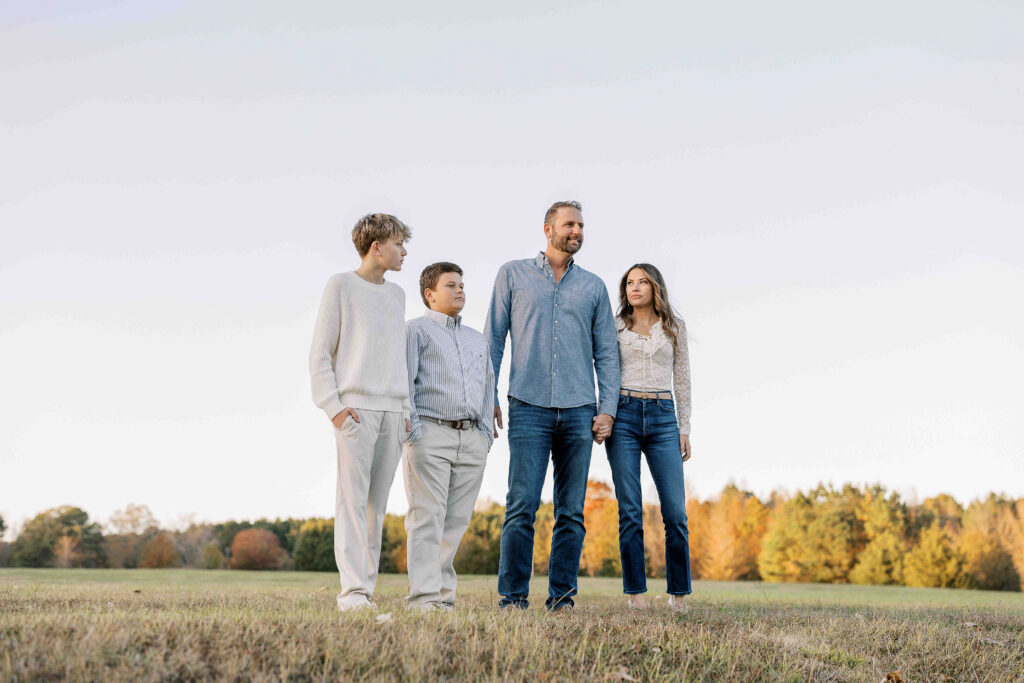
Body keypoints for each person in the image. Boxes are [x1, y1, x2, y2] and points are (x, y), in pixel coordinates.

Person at [484, 200, 620, 612]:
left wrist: (607, 408)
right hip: (527, 406)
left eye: (581, 225)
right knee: (521, 506)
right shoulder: (513, 274)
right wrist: (486, 395)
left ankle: (562, 600)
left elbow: (608, 354)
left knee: (571, 512)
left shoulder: (593, 287)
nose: (577, 231)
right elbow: (492, 339)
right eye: (569, 224)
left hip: (580, 409)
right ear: (548, 229)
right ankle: (512, 599)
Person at [309, 213, 413, 612]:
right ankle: (351, 594)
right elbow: (320, 353)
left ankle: (364, 592)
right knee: (351, 503)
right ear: (376, 246)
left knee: (375, 507)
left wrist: (404, 409)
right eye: (399, 244)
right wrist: (333, 408)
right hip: (353, 411)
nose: (404, 252)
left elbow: (397, 357)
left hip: (392, 412)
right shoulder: (341, 286)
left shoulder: (397, 295)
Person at [598, 263, 692, 612]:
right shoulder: (614, 326)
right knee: (630, 509)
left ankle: (678, 595)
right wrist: (604, 411)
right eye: (629, 283)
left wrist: (684, 428)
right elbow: (605, 370)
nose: (634, 288)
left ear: (656, 287)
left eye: (642, 282)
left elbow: (682, 380)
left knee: (675, 511)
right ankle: (636, 595)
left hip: (663, 417)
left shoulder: (673, 328)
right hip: (623, 415)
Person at [403, 262, 496, 611]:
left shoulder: (476, 339)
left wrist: (485, 434)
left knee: (455, 522)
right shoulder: (415, 331)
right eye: (450, 285)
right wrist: (414, 431)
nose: (459, 290)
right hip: (430, 434)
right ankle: (423, 599)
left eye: (461, 284)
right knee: (426, 517)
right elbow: (404, 382)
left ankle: (443, 599)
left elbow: (488, 386)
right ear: (430, 294)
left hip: (472, 438)